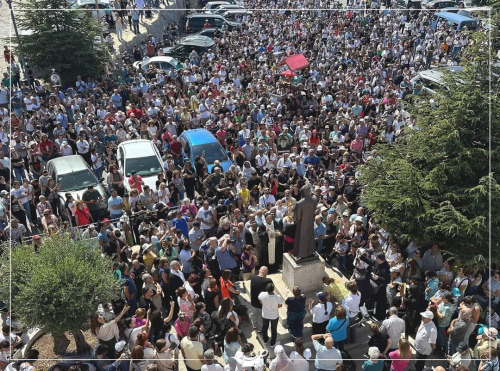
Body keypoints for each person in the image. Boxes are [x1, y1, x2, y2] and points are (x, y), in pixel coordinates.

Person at [258, 283, 283, 347]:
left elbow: (260, 301)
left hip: (265, 315)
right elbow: (280, 305)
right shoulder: (278, 297)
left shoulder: (262, 294)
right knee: (274, 329)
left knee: (265, 327)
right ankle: (273, 343)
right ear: (273, 289)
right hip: (274, 316)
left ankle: (265, 340)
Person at [250, 266, 272, 333]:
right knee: (260, 316)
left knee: (254, 314)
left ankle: (254, 325)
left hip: (253, 301)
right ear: (265, 273)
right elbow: (270, 292)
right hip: (261, 303)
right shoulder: (268, 281)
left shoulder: (253, 277)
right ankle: (259, 329)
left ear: (259, 271)